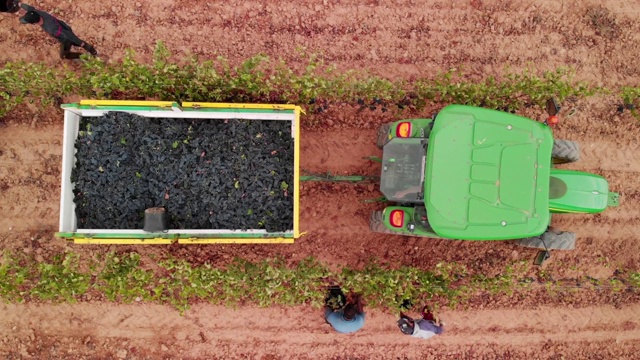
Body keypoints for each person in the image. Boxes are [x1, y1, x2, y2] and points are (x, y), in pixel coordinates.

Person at [17, 2, 97, 59]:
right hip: (63, 26)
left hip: (65, 38)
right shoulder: (38, 13)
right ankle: (92, 51)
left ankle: (86, 55)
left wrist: (82, 43)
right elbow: (30, 8)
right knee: (75, 42)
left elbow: (67, 35)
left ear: (33, 23)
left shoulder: (50, 28)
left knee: (64, 55)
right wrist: (19, 4)